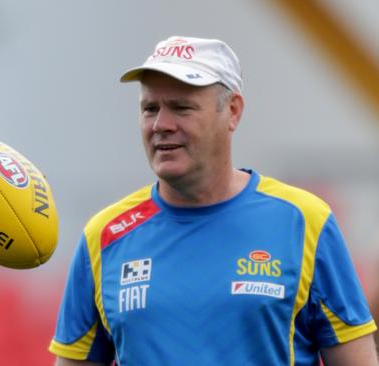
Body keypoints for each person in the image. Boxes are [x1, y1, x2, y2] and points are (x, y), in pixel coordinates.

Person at [49, 36, 378, 365]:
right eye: (150, 109)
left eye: (182, 108)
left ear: (232, 111)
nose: (161, 125)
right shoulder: (104, 236)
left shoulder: (304, 221)